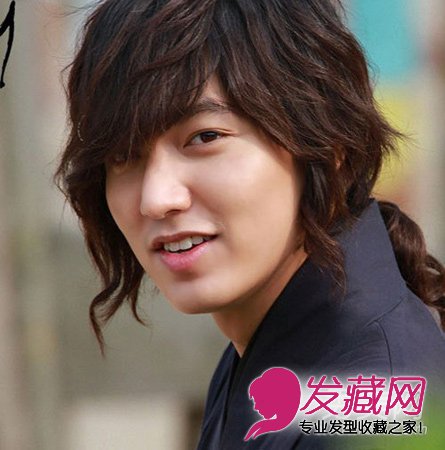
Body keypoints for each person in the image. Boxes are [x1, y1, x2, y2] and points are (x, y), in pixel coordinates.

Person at [55, 0, 445, 448]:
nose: (157, 198)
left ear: (326, 143)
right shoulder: (272, 347)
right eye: (123, 155)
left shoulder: (378, 410)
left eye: (205, 137)